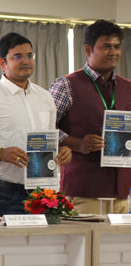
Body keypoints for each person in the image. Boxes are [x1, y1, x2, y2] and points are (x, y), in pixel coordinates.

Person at [0, 32, 71, 216]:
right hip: (2, 195)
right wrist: (1, 154)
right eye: (18, 57)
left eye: (30, 55)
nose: (26, 61)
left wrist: (62, 151)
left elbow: (49, 140)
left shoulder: (45, 98)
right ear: (2, 63)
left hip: (42, 194)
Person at [50, 20, 131, 214]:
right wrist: (77, 143)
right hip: (84, 192)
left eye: (117, 46)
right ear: (88, 49)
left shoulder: (128, 87)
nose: (113, 52)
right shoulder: (66, 85)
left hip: (122, 194)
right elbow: (43, 128)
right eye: (106, 46)